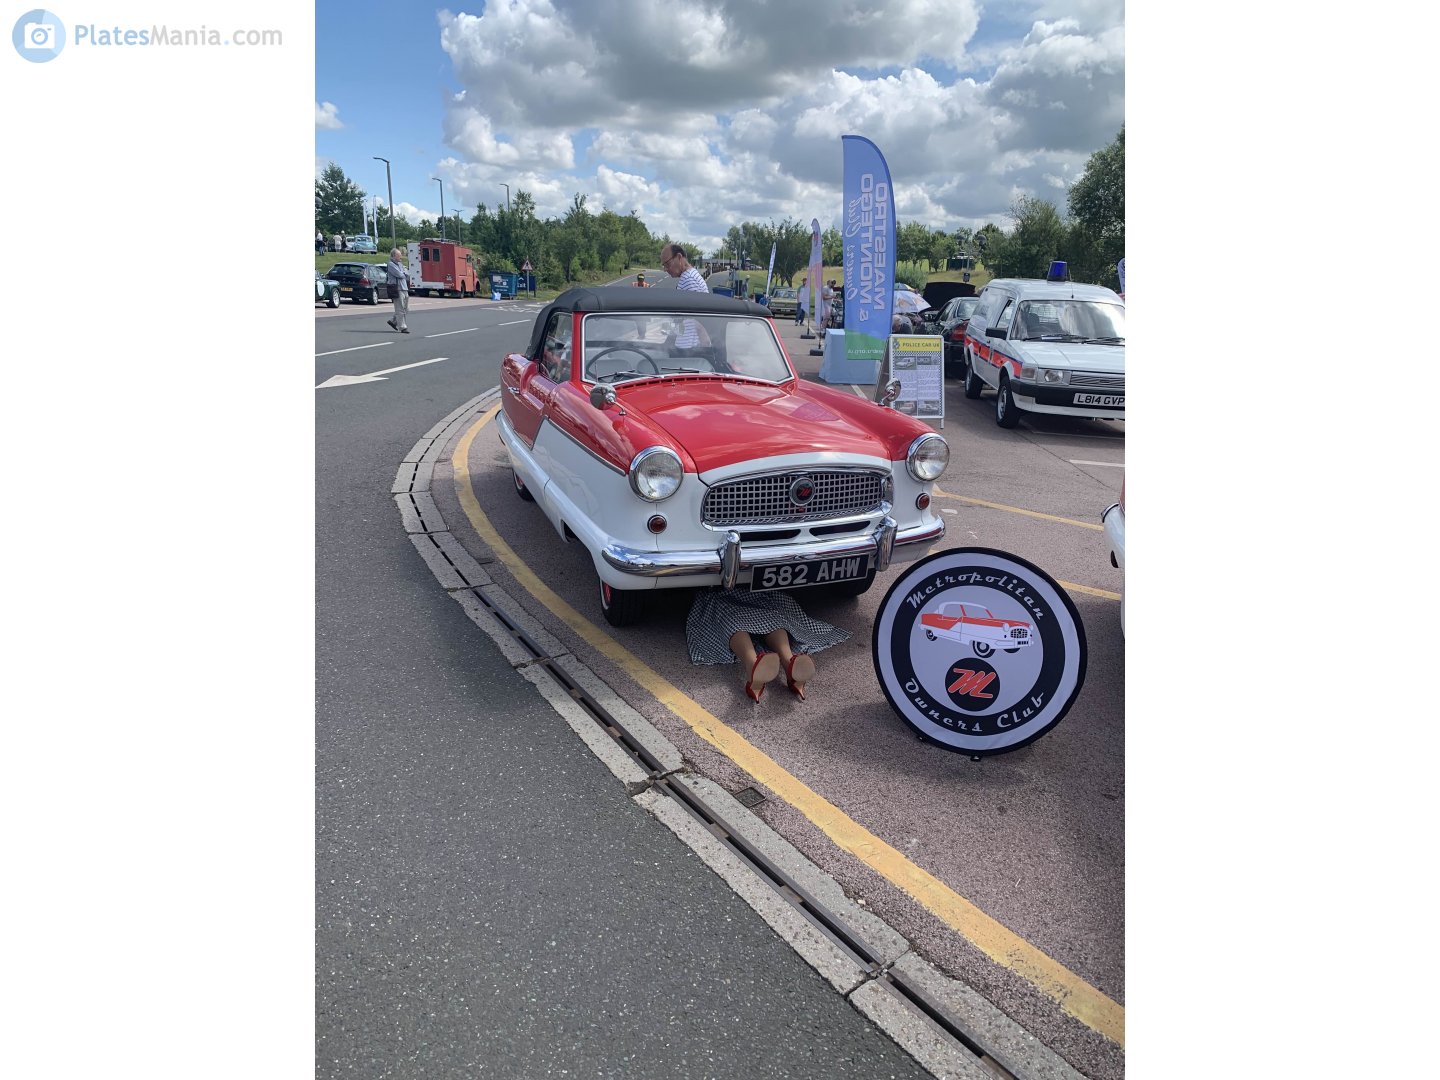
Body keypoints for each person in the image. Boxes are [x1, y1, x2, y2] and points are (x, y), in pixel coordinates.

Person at [686, 589, 849, 702]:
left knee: (726, 616)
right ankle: (789, 660)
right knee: (770, 616)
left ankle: (752, 664)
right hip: (754, 592)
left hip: (717, 590)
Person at [660, 243, 709, 350]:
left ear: (679, 257)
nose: (665, 269)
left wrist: (704, 347)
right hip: (687, 344)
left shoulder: (689, 279)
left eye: (667, 264)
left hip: (689, 347)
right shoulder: (689, 276)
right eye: (663, 266)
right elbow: (685, 317)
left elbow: (699, 316)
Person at [384, 247, 410, 333]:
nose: (401, 257)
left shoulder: (400, 264)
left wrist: (404, 272)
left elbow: (407, 273)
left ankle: (393, 321)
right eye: (399, 255)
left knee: (406, 308)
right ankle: (402, 327)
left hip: (404, 288)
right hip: (397, 288)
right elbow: (400, 275)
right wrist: (403, 272)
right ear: (394, 256)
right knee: (400, 309)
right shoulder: (391, 264)